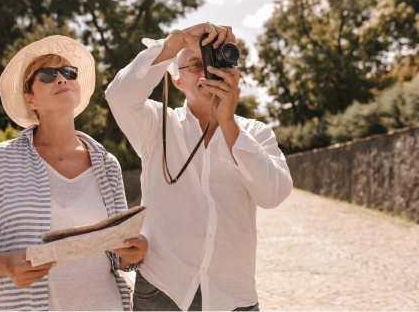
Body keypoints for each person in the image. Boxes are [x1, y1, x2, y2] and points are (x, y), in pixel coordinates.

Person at [0, 35, 148, 312]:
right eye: (47, 74)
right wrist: (6, 264)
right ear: (29, 98)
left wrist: (131, 254)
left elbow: (118, 257)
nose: (62, 79)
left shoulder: (106, 163)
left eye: (68, 72)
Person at [105, 23, 293, 312]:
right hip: (161, 290)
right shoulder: (157, 124)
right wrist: (174, 43)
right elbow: (118, 96)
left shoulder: (256, 133)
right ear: (177, 80)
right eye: (194, 64)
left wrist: (229, 124)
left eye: (213, 62)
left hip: (233, 297)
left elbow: (274, 195)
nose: (206, 71)